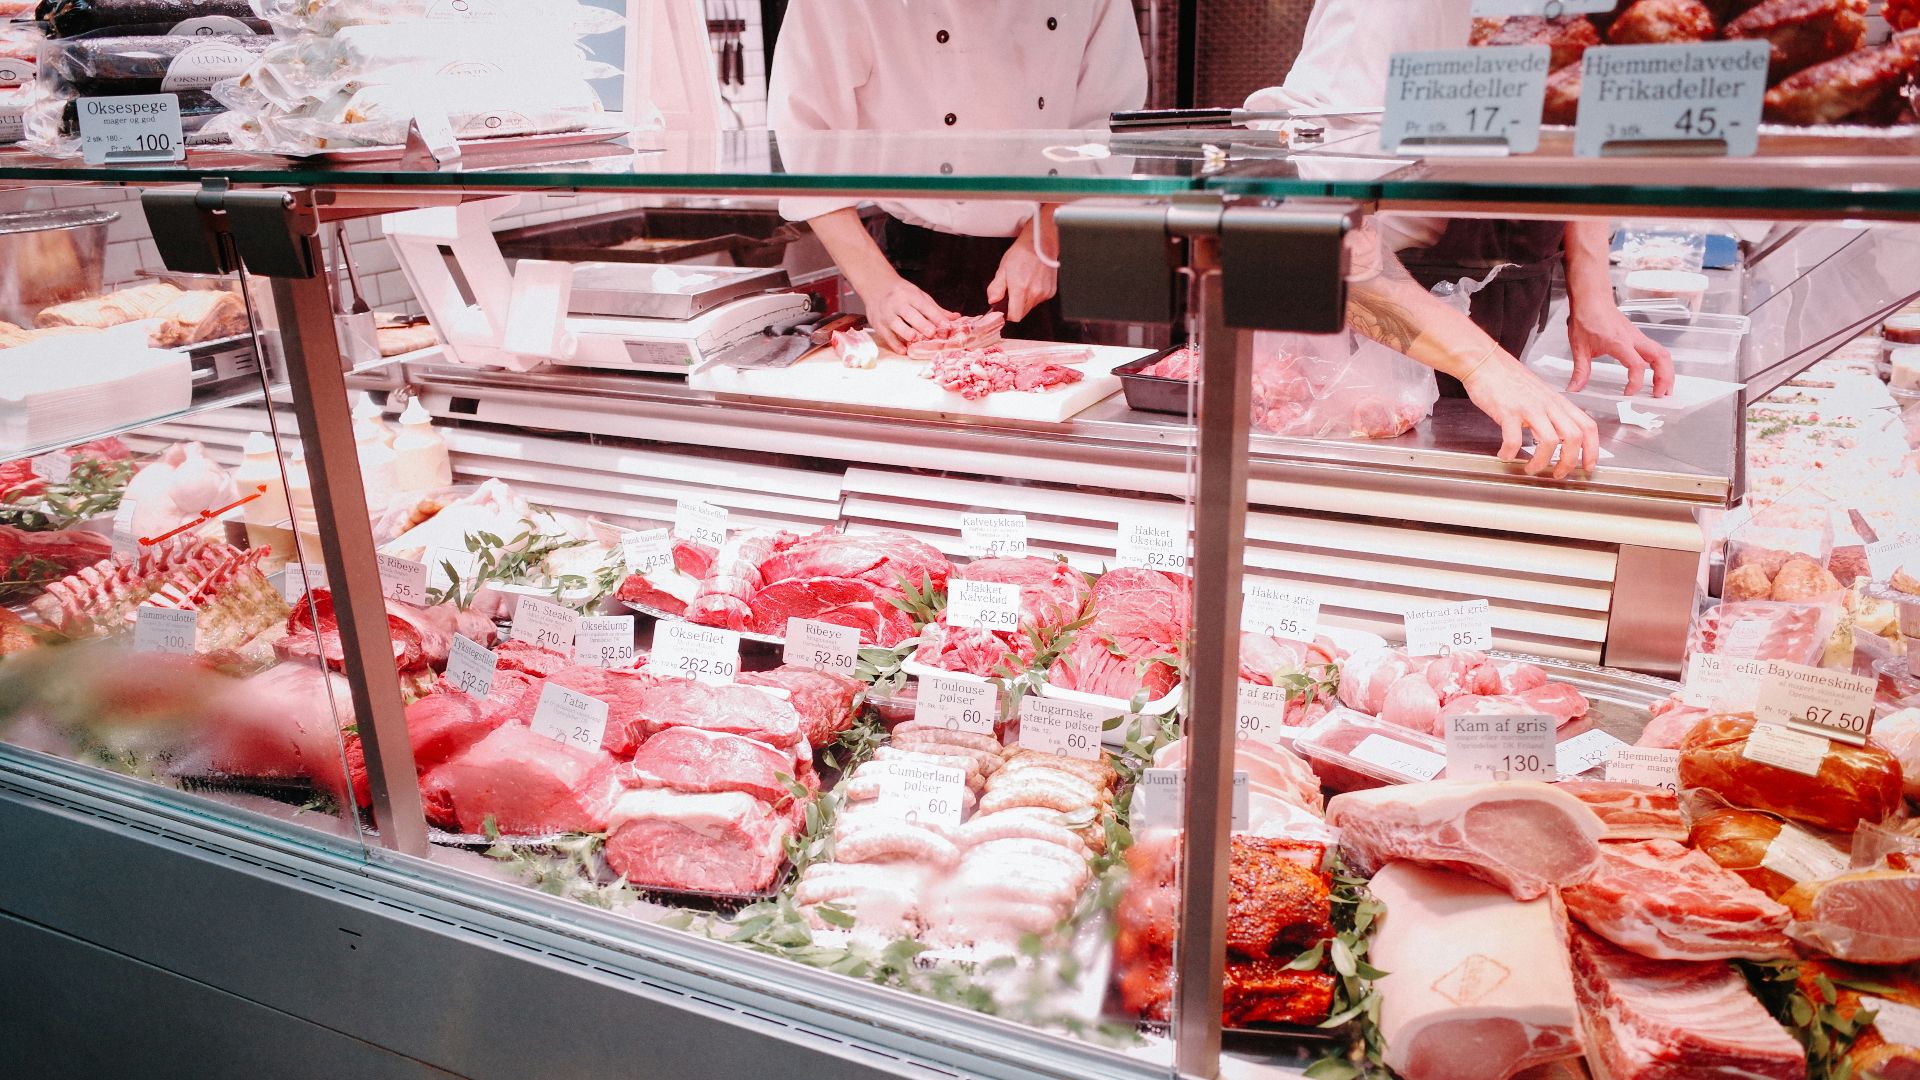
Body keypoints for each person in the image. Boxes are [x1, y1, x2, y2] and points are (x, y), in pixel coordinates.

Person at [1247, 0, 1675, 478]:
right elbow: (1307, 218)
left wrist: (1592, 289)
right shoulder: (1385, 12)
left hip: (1498, 287)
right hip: (1369, 326)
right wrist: (1483, 364)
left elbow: (1575, 123)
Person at [768, 1, 1148, 350]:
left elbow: (1106, 125)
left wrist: (1042, 242)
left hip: (1044, 256)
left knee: (1045, 407)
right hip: (914, 263)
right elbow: (806, 138)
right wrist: (878, 285)